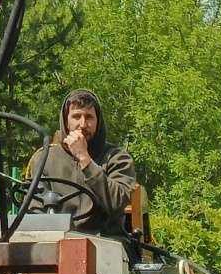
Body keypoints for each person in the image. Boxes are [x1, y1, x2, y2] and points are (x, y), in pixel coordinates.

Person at [25, 88, 137, 236]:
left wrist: (84, 159)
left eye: (89, 117)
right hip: (57, 239)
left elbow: (117, 203)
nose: (83, 124)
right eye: (76, 116)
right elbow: (34, 210)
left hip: (107, 242)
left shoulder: (117, 158)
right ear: (66, 121)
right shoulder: (44, 158)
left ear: (98, 121)